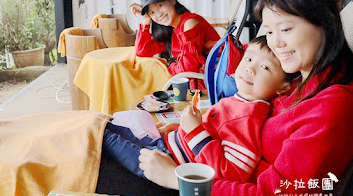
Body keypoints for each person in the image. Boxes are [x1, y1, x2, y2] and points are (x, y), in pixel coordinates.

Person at [136, 0, 353, 196]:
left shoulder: (331, 106)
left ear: (324, 25)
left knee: (105, 141)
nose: (275, 43)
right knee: (106, 129)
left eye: (285, 29)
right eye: (269, 31)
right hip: (199, 169)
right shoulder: (302, 80)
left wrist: (177, 180)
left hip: (202, 191)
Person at [102, 35, 297, 184]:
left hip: (169, 165)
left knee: (102, 135)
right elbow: (214, 133)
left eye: (265, 67)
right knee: (103, 125)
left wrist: (194, 130)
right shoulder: (241, 102)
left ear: (283, 87)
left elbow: (231, 173)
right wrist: (181, 128)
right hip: (167, 148)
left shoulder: (249, 118)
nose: (250, 69)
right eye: (248, 59)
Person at [130, 0, 220, 86]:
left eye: (160, 5)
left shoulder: (189, 23)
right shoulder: (171, 30)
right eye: (152, 12)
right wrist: (145, 20)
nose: (159, 14)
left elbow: (188, 69)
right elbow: (142, 51)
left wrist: (168, 66)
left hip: (211, 84)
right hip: (194, 83)